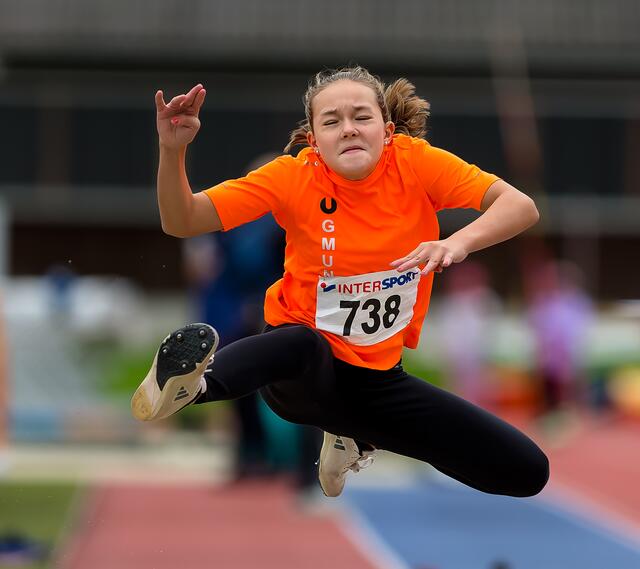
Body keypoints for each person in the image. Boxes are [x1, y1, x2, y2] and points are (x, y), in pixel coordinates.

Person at [132, 66, 549, 499]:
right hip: (301, 375)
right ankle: (193, 386)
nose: (348, 128)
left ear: (387, 130)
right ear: (314, 140)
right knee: (304, 343)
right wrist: (172, 150)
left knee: (527, 471)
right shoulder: (293, 176)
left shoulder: (415, 163)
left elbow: (520, 206)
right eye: (331, 121)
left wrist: (456, 243)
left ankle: (353, 433)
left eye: (361, 116)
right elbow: (183, 220)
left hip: (376, 382)